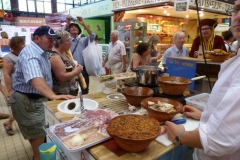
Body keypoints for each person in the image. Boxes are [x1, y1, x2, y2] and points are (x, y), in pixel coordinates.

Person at [164, 2, 240, 159]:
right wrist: (206, 114)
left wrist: (180, 135)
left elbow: (219, 140)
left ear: (212, 30)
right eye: (237, 9)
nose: (238, 16)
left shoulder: (218, 40)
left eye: (207, 29)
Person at [9, 26, 74, 160]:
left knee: (38, 133)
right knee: (37, 135)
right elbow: (35, 79)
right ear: (37, 38)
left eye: (53, 40)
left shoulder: (42, 52)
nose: (52, 42)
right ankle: (37, 157)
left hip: (36, 98)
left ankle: (37, 154)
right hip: (28, 100)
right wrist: (53, 96)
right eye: (49, 39)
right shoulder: (31, 54)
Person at [48, 29, 83, 95]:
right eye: (67, 41)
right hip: (62, 94)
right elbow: (62, 77)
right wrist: (76, 71)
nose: (70, 43)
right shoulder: (55, 56)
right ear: (59, 42)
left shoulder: (65, 53)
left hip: (71, 91)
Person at [3, 36, 25, 135]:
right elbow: (6, 74)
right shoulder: (8, 57)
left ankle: (9, 122)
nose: (24, 45)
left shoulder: (22, 54)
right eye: (22, 44)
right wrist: (9, 90)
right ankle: (9, 123)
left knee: (21, 108)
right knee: (18, 109)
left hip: (24, 87)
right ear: (16, 45)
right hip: (15, 88)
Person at [68, 16, 95, 95]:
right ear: (68, 31)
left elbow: (93, 35)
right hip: (71, 70)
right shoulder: (66, 41)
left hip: (83, 69)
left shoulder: (83, 40)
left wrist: (83, 24)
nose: (74, 28)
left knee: (85, 89)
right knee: (72, 91)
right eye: (71, 27)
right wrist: (67, 22)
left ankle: (85, 105)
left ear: (79, 30)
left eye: (76, 27)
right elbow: (59, 37)